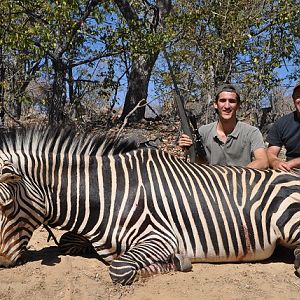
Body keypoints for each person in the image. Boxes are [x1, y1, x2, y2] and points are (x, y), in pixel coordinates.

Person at [179, 84, 268, 169]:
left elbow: (263, 162)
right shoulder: (203, 131)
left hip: (241, 181)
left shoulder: (251, 132)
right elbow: (200, 163)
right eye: (222, 100)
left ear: (238, 105)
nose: (227, 106)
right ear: (215, 104)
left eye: (232, 101)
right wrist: (189, 149)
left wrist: (236, 175)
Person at [266, 82, 300, 175]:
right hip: (291, 172)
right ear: (293, 99)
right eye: (298, 96)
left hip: (290, 165)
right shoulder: (282, 123)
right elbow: (271, 152)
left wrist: (292, 163)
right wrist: (275, 162)